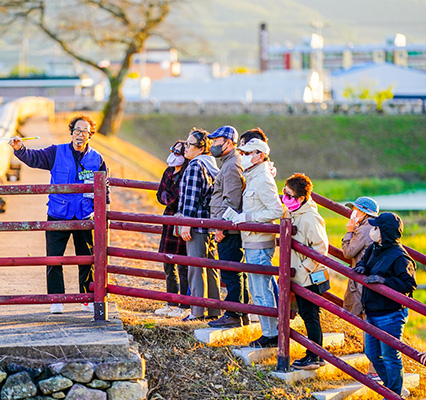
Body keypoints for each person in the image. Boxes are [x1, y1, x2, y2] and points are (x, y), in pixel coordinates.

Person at [9, 115, 107, 314]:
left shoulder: (97, 158)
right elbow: (34, 158)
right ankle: (56, 299)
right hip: (58, 214)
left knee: (87, 259)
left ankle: (86, 299)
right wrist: (20, 149)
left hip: (84, 216)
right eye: (77, 130)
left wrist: (102, 213)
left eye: (84, 131)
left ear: (90, 135)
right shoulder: (57, 152)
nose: (80, 134)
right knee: (54, 258)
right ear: (71, 132)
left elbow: (105, 188)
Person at [354, 212, 417, 398]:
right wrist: (362, 268)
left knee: (390, 356)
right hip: (372, 310)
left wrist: (384, 281)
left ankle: (394, 393)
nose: (372, 230)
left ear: (384, 232)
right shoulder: (375, 247)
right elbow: (365, 261)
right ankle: (392, 388)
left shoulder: (400, 257)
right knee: (372, 353)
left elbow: (409, 285)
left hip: (390, 314)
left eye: (376, 228)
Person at [231, 138, 283, 347]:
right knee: (259, 288)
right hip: (253, 241)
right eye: (241, 153)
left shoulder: (262, 178)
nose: (242, 157)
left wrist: (248, 217)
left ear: (259, 155)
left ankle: (271, 335)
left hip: (260, 243)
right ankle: (270, 331)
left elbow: (278, 210)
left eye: (246, 153)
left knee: (261, 290)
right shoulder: (255, 176)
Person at [283, 173, 329, 370]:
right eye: (284, 193)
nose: (285, 198)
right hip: (301, 275)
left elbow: (321, 248)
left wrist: (303, 269)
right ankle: (314, 354)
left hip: (310, 276)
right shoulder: (294, 212)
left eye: (289, 195)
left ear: (301, 198)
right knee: (306, 313)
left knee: (310, 315)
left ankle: (315, 355)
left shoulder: (310, 217)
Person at [207, 125, 250, 328]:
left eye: (216, 141)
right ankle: (241, 313)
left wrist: (221, 227)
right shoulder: (229, 162)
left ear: (229, 143)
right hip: (227, 226)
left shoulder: (232, 165)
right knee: (235, 270)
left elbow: (231, 200)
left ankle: (234, 313)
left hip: (228, 229)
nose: (213, 145)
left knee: (230, 271)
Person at [178, 128, 221, 321]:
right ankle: (213, 310)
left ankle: (197, 312)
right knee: (210, 266)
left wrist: (186, 223)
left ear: (201, 148)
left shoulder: (195, 166)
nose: (185, 147)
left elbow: (191, 198)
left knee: (196, 267)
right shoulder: (210, 165)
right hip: (209, 224)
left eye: (189, 144)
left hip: (196, 225)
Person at [342, 196, 379, 377]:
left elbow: (348, 252)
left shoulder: (363, 230)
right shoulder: (372, 227)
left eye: (354, 210)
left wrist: (349, 232)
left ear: (362, 212)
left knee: (369, 324)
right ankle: (374, 369)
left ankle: (374, 370)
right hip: (369, 281)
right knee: (371, 323)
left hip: (364, 285)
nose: (351, 213)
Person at [155, 141, 190, 318]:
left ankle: (184, 304)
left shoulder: (187, 172)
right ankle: (171, 301)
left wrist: (167, 197)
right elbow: (160, 194)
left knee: (183, 265)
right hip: (169, 220)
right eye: (173, 150)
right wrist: (167, 198)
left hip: (182, 220)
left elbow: (176, 198)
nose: (174, 153)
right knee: (168, 263)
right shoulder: (169, 171)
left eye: (178, 151)